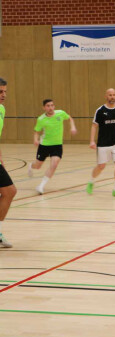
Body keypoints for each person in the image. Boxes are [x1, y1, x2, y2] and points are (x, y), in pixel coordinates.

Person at [87, 88, 115, 197]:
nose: (112, 97)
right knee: (101, 166)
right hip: (103, 143)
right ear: (106, 96)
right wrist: (92, 141)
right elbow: (94, 126)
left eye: (114, 95)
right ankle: (91, 182)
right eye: (110, 95)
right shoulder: (100, 110)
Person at [27, 99, 77, 194]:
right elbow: (36, 132)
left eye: (52, 105)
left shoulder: (60, 113)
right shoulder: (41, 119)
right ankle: (31, 165)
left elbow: (70, 118)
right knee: (38, 166)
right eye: (48, 106)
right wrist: (35, 139)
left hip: (57, 145)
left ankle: (41, 186)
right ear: (44, 108)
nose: (51, 107)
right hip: (44, 145)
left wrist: (73, 127)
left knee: (54, 164)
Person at [0, 78, 17, 248]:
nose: (4, 95)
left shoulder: (1, 109)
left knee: (9, 191)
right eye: (0, 92)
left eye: (5, 91)